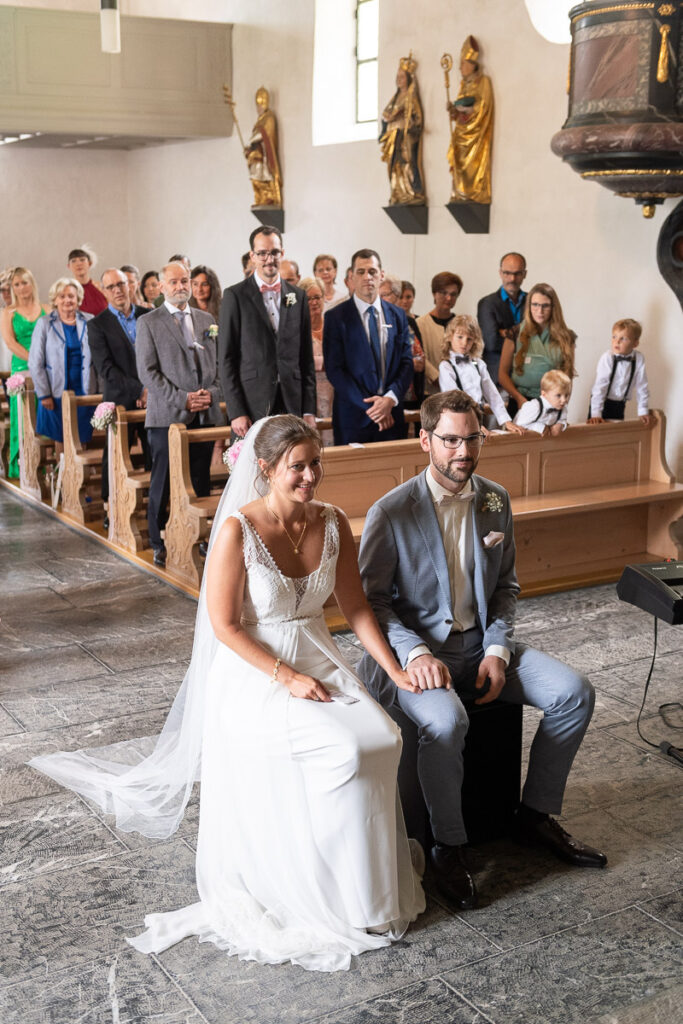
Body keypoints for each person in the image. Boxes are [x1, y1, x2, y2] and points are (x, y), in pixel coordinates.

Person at [29, 415, 426, 972]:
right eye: (298, 467)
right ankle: (323, 892)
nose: (311, 476)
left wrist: (397, 669)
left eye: (316, 464)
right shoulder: (239, 528)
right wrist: (286, 677)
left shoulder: (333, 521)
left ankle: (368, 895)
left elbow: (356, 608)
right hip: (258, 672)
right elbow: (225, 626)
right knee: (345, 749)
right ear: (263, 469)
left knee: (383, 736)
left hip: (319, 656)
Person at [358, 390, 607, 911]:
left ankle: (533, 816)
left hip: (481, 644)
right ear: (426, 440)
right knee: (447, 724)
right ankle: (448, 846)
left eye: (472, 438)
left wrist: (497, 647)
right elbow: (373, 604)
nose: (462, 451)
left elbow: (506, 588)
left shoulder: (495, 499)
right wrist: (414, 654)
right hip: (417, 655)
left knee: (574, 693)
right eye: (449, 440)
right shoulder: (392, 511)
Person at [136, 262, 224, 568]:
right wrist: (183, 400)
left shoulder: (206, 318)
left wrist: (210, 394)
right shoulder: (149, 322)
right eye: (173, 282)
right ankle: (159, 541)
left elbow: (218, 365)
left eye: (184, 280)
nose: (180, 286)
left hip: (205, 413)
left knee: (200, 478)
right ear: (161, 287)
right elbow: (148, 372)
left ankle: (198, 538)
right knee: (164, 479)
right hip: (166, 416)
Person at [218, 225, 316, 439]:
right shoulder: (235, 295)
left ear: (282, 253)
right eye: (262, 253)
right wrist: (236, 411)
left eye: (274, 252)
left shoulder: (298, 297)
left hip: (291, 401)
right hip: (252, 403)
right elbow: (226, 359)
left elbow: (306, 359)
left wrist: (308, 410)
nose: (269, 259)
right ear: (252, 256)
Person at [323, 249, 414, 445]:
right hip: (353, 418)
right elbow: (335, 370)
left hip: (392, 416)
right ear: (351, 277)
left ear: (381, 275)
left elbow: (407, 363)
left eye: (372, 271)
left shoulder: (397, 316)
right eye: (361, 272)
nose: (367, 277)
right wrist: (374, 408)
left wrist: (389, 400)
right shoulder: (336, 318)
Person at [88, 268, 151, 518]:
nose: (117, 290)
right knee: (114, 456)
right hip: (120, 399)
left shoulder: (148, 315)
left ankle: (152, 504)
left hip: (152, 398)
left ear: (131, 285)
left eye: (121, 284)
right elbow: (105, 368)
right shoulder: (98, 324)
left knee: (154, 450)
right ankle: (109, 506)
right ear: (104, 291)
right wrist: (139, 389)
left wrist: (150, 389)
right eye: (111, 286)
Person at [28, 277, 94, 450]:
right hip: (55, 391)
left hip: (85, 389)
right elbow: (35, 362)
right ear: (55, 299)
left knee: (82, 437)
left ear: (78, 298)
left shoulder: (90, 320)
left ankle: (80, 477)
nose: (67, 300)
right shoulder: (44, 323)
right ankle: (61, 475)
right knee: (60, 439)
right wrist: (44, 394)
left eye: (71, 296)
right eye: (62, 296)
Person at [497, 283, 576, 417]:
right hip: (519, 403)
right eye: (535, 305)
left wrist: (561, 410)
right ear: (529, 306)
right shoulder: (515, 333)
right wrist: (518, 398)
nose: (539, 311)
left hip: (551, 405)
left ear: (553, 308)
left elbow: (567, 377)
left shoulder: (566, 337)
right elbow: (502, 374)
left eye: (545, 306)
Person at [438, 315, 523, 434]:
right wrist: (474, 425)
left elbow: (492, 393)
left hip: (478, 415)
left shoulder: (478, 363)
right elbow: (454, 399)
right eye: (460, 337)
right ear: (450, 337)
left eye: (469, 339)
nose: (464, 343)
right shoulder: (446, 366)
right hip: (457, 418)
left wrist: (506, 421)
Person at [0, 267, 46, 477]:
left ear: (32, 284)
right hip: (22, 367)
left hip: (46, 366)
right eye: (16, 284)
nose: (21, 288)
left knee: (44, 412)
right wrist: (33, 359)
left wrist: (43, 361)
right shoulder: (8, 312)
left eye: (24, 283)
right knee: (22, 414)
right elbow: (10, 342)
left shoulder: (46, 308)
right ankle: (21, 463)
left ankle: (45, 460)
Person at [447, 36, 493, 205]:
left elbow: (484, 106)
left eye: (463, 64)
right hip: (461, 132)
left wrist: (467, 109)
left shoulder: (483, 82)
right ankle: (459, 192)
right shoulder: (463, 85)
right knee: (458, 161)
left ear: (472, 64)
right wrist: (453, 110)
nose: (460, 68)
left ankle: (473, 193)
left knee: (473, 164)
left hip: (475, 134)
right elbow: (458, 112)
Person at [379, 53, 426, 206]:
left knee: (406, 162)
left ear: (409, 78)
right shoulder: (395, 98)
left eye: (402, 77)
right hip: (393, 136)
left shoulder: (411, 97)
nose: (399, 79)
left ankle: (410, 192)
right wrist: (388, 118)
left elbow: (418, 118)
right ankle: (397, 193)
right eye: (397, 76)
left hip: (405, 136)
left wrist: (410, 122)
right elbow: (385, 114)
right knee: (395, 166)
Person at [476, 252, 528, 386]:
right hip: (496, 379)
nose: (512, 278)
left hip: (527, 377)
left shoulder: (532, 301)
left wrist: (505, 333)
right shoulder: (487, 304)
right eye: (507, 273)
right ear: (500, 273)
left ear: (524, 274)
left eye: (517, 273)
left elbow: (539, 338)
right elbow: (492, 342)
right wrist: (524, 337)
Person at [588, 318, 651, 424]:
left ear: (635, 344)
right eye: (614, 337)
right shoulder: (607, 358)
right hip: (601, 403)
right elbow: (600, 386)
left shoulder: (639, 359)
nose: (617, 341)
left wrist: (643, 410)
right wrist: (595, 413)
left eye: (624, 339)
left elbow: (642, 386)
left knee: (615, 435)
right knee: (595, 436)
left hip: (620, 405)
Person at [379, 274, 425, 421]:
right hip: (385, 392)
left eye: (385, 295)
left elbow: (420, 354)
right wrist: (410, 363)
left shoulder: (410, 321)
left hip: (410, 389)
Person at [415, 272, 463, 395]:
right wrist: (440, 379)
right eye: (443, 293)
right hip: (430, 391)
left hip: (458, 389)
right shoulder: (420, 323)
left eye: (453, 294)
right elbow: (421, 357)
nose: (448, 298)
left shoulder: (463, 323)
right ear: (434, 293)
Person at [299, 275, 333, 437]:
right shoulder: (297, 331)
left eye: (317, 297)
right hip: (310, 393)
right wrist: (324, 363)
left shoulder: (334, 326)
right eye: (308, 299)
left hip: (334, 391)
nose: (314, 302)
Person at [245, 87, 282, 207]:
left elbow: (263, 134)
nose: (258, 108)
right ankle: (260, 198)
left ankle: (268, 197)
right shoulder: (259, 120)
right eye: (257, 105)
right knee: (255, 177)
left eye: (261, 105)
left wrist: (253, 139)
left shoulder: (269, 117)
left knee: (263, 175)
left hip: (264, 154)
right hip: (256, 153)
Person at [514, 369, 571, 435]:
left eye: (566, 395)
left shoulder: (563, 407)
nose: (564, 400)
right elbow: (518, 425)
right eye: (558, 395)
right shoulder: (534, 407)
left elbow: (563, 419)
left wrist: (561, 424)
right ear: (544, 394)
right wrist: (539, 427)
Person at [67, 247, 108, 316]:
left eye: (82, 260)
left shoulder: (101, 288)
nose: (78, 264)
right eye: (73, 261)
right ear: (68, 266)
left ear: (90, 263)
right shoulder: (66, 292)